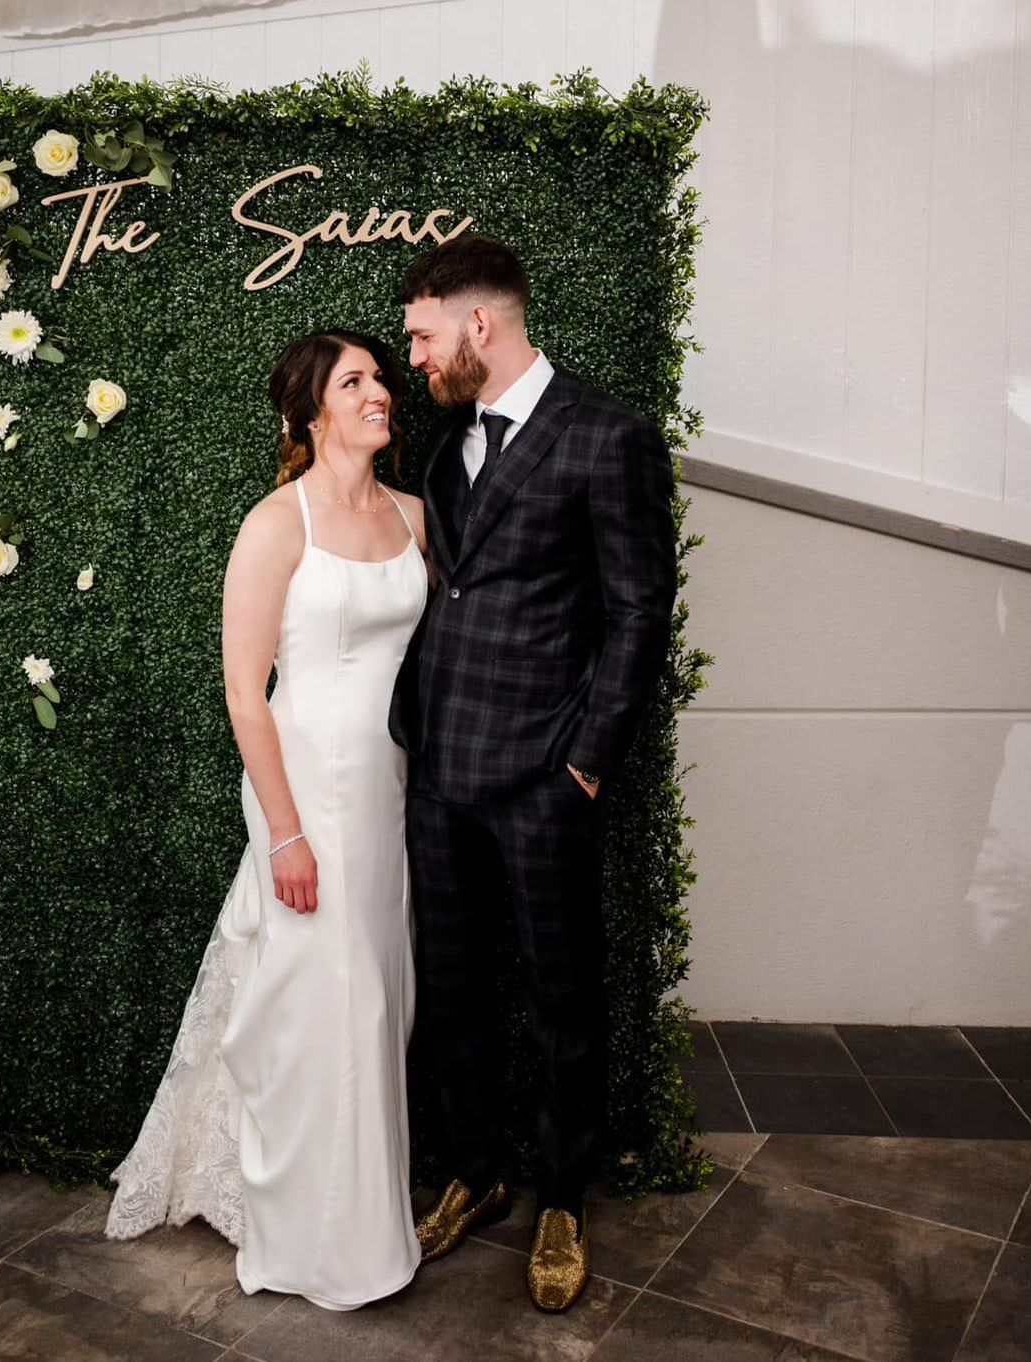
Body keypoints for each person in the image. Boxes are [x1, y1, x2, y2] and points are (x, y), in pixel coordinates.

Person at [105, 330, 431, 1312]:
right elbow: (246, 693)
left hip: (391, 789)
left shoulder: (420, 516)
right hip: (306, 787)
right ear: (310, 413)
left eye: (381, 376)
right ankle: (312, 1236)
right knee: (322, 995)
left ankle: (366, 1214)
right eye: (357, 381)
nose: (382, 390)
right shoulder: (274, 523)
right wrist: (285, 833)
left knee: (379, 994)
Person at [389, 236, 678, 1312]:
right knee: (453, 988)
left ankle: (563, 1196)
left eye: (421, 336)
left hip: (546, 779)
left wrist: (588, 765)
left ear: (480, 324)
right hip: (441, 771)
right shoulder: (448, 441)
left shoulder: (609, 437)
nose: (414, 359)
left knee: (562, 995)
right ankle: (476, 1172)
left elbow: (641, 610)